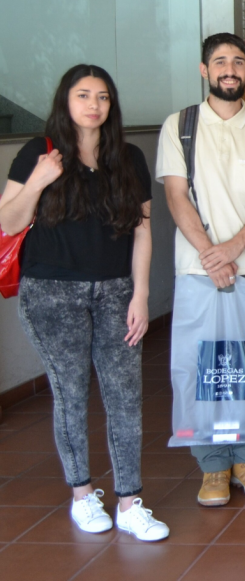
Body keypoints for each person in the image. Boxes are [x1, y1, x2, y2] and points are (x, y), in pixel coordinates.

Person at [0, 65, 168, 540]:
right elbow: (9, 223)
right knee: (70, 395)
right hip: (52, 294)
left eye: (102, 96)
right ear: (65, 101)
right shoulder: (40, 152)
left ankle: (131, 502)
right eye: (83, 95)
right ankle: (81, 495)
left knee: (125, 396)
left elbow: (142, 231)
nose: (93, 104)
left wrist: (141, 294)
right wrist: (37, 181)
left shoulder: (129, 157)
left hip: (116, 290)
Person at [157, 32, 245, 506]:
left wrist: (232, 248)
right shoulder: (181, 126)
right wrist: (211, 253)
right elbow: (176, 194)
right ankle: (212, 466)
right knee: (204, 366)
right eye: (219, 61)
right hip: (198, 268)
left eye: (237, 61)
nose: (229, 69)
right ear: (204, 69)